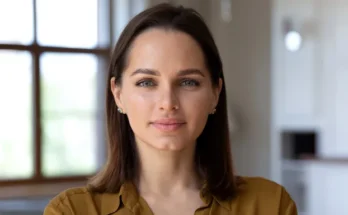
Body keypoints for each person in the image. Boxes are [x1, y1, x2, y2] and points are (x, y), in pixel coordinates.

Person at [44, 3, 297, 215]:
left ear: (215, 93)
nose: (168, 102)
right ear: (118, 94)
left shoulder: (270, 205)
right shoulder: (71, 211)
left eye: (188, 82)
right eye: (146, 82)